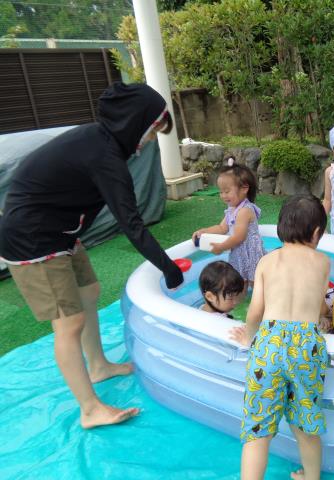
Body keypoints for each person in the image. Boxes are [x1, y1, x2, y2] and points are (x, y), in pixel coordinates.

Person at [0, 82, 184, 428]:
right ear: (136, 121)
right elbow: (132, 224)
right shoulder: (104, 155)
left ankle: (98, 366)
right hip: (32, 239)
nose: (150, 139)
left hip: (60, 230)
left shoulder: (101, 142)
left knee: (89, 291)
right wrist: (169, 268)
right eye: (152, 130)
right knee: (68, 323)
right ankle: (89, 409)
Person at [230, 194, 330, 480]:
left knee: (257, 431)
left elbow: (255, 312)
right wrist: (325, 317)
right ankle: (311, 478)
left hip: (269, 344)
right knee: (306, 424)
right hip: (307, 347)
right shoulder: (322, 262)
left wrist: (249, 338)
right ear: (316, 233)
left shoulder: (266, 261)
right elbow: (318, 304)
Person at [192, 162, 265, 285]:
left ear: (244, 188)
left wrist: (221, 247)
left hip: (250, 254)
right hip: (238, 253)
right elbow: (222, 228)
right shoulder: (232, 209)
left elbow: (239, 237)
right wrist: (204, 231)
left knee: (255, 282)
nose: (223, 195)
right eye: (221, 192)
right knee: (239, 282)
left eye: (227, 191)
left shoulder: (244, 211)